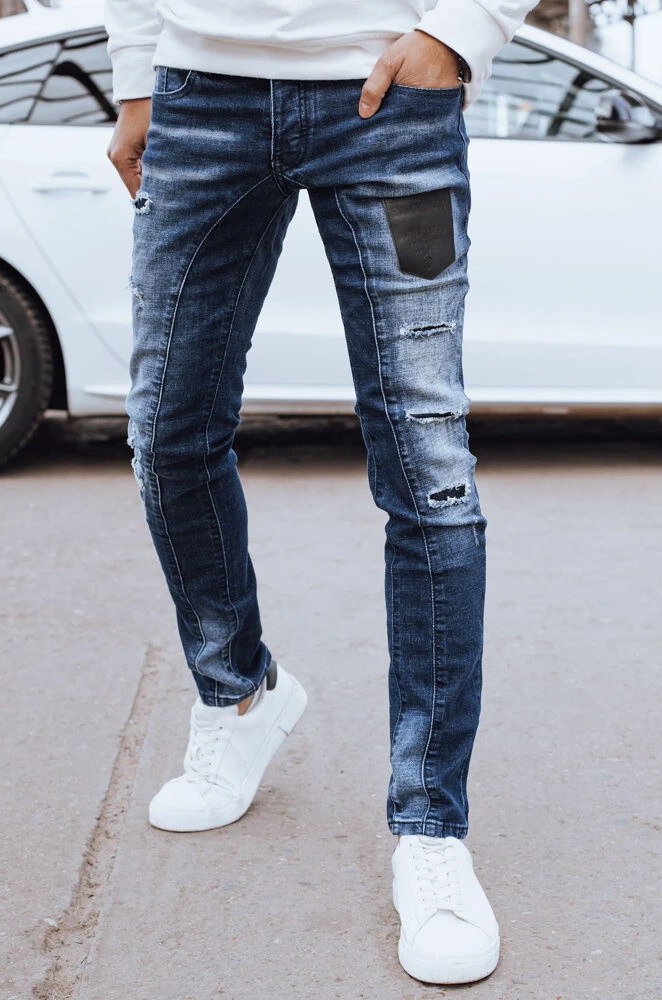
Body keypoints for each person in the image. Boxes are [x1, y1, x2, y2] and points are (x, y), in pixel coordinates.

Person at [104, 0, 537, 985]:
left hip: (392, 109)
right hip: (200, 101)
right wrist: (136, 76)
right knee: (166, 434)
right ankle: (238, 694)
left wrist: (462, 30)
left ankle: (430, 827)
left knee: (428, 465)